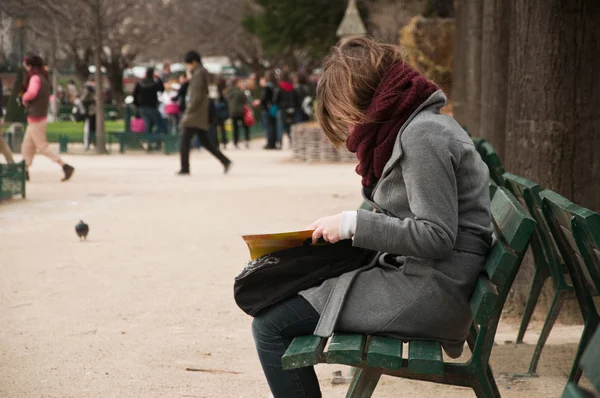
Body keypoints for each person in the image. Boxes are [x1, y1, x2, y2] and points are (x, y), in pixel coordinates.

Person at [251, 36, 493, 398]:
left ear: (365, 98)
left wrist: (353, 224)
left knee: (270, 326)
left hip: (429, 289)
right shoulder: (417, 127)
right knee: (283, 299)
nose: (350, 128)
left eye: (346, 113)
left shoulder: (422, 136)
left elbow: (436, 236)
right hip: (422, 278)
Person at [20, 55, 74, 181]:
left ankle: (64, 165)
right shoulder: (43, 77)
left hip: (36, 116)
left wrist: (24, 98)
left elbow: (32, 93)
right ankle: (24, 170)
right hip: (38, 115)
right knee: (27, 146)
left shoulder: (34, 78)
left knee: (42, 146)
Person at [177, 50, 231, 176]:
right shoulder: (204, 72)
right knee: (205, 141)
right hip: (202, 112)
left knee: (184, 140)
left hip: (195, 113)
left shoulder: (198, 74)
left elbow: (196, 95)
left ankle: (185, 167)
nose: (187, 67)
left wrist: (188, 111)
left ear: (194, 62)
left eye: (188, 64)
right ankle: (225, 161)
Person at [133, 67, 167, 137]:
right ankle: (154, 140)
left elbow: (134, 94)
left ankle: (149, 141)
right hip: (152, 107)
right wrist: (159, 78)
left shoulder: (140, 83)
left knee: (148, 125)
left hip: (142, 107)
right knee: (160, 124)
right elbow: (162, 89)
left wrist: (137, 104)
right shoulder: (154, 83)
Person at [273, 71, 297, 149]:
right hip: (291, 109)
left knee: (280, 126)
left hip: (282, 109)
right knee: (290, 126)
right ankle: (292, 142)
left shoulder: (280, 87)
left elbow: (275, 100)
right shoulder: (292, 87)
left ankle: (280, 143)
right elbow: (295, 99)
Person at [254, 70, 277, 149]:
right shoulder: (272, 86)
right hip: (270, 109)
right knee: (271, 126)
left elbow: (265, 99)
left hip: (267, 109)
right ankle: (272, 142)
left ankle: (270, 143)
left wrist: (259, 101)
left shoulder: (267, 88)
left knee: (268, 127)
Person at [226, 78, 250, 149]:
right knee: (245, 126)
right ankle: (246, 140)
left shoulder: (229, 91)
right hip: (241, 111)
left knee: (235, 127)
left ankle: (235, 142)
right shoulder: (240, 92)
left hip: (233, 111)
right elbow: (245, 99)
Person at [215, 78, 229, 149]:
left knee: (217, 128)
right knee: (222, 128)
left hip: (217, 113)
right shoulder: (222, 93)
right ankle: (223, 142)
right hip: (220, 113)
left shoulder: (218, 93)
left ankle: (218, 143)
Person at [81, 84, 96, 150]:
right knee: (87, 131)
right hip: (88, 116)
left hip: (93, 116)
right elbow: (83, 101)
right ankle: (86, 145)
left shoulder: (93, 98)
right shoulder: (85, 98)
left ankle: (93, 143)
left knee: (92, 131)